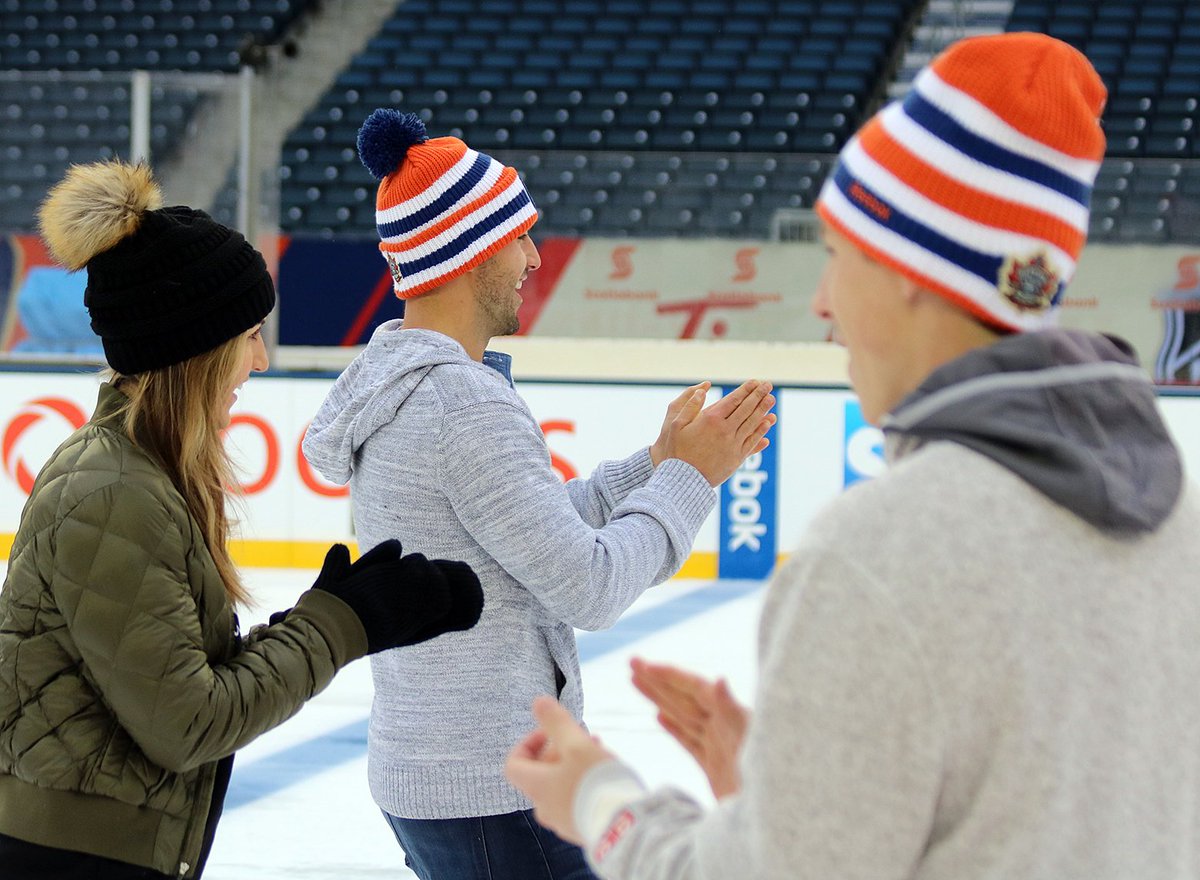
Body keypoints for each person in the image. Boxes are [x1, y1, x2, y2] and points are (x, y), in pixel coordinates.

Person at [505, 31, 1200, 880]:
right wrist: (799, 793)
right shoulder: (1173, 515)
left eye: (837, 255)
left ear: (912, 268)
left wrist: (604, 806)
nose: (822, 302)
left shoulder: (883, 549)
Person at [301, 109, 777, 880]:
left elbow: (534, 535)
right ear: (469, 252)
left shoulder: (409, 388)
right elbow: (589, 586)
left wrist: (658, 461)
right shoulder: (463, 406)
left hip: (439, 774)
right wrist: (694, 478)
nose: (532, 256)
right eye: (518, 236)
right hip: (493, 789)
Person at [0, 160, 485, 880]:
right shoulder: (109, 493)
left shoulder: (143, 479)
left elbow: (174, 678)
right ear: (193, 349)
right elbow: (189, 723)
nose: (259, 360)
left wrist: (321, 616)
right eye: (250, 334)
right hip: (70, 858)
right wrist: (341, 625)